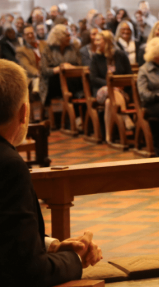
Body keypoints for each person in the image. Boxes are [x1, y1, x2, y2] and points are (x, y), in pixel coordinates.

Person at [0, 59, 103, 286]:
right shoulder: (8, 165)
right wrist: (75, 259)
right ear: (23, 112)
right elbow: (28, 272)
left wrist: (52, 246)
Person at [90, 30, 134, 141]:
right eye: (95, 40)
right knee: (109, 91)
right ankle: (125, 117)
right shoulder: (95, 57)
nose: (96, 43)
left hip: (122, 93)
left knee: (109, 102)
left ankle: (108, 137)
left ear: (107, 41)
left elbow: (129, 74)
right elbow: (94, 78)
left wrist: (121, 84)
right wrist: (112, 85)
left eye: (98, 40)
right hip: (102, 91)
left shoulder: (120, 55)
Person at [40, 25, 82, 109]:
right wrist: (60, 69)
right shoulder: (48, 50)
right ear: (59, 37)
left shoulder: (74, 47)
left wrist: (71, 67)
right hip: (53, 83)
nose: (70, 38)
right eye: (67, 36)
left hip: (72, 79)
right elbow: (45, 71)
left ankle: (76, 108)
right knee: (61, 78)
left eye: (70, 35)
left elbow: (80, 65)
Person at [16, 25, 45, 100]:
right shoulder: (21, 50)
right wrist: (38, 73)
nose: (30, 35)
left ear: (35, 33)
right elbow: (26, 66)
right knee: (38, 80)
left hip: (47, 73)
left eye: (32, 33)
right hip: (33, 76)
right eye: (27, 34)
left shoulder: (44, 44)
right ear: (23, 36)